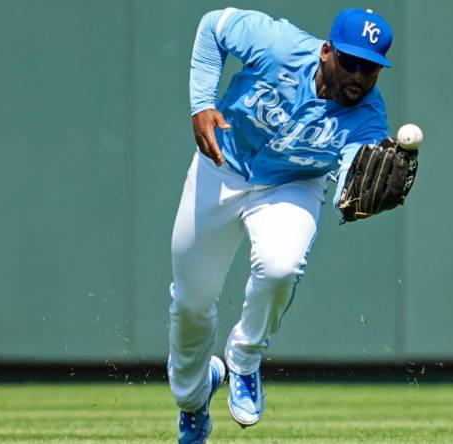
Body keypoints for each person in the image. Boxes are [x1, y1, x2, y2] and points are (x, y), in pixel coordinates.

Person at [168, 6, 394, 443]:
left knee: (280, 265)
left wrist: (368, 190)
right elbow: (213, 24)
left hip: (291, 185)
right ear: (327, 52)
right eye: (351, 61)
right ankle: (193, 402)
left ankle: (245, 357)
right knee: (191, 303)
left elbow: (355, 178)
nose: (359, 76)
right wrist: (202, 103)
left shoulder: (368, 117)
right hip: (221, 164)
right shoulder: (278, 45)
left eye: (371, 68)